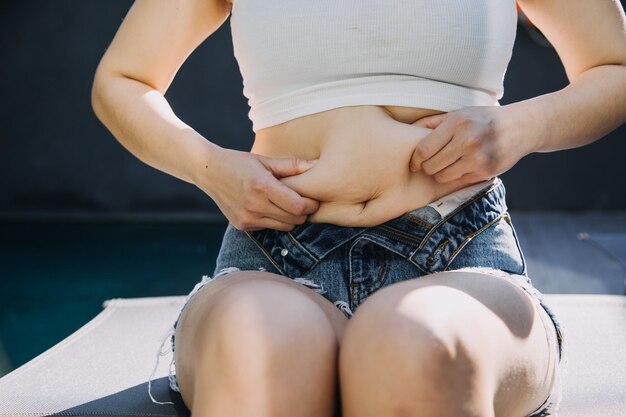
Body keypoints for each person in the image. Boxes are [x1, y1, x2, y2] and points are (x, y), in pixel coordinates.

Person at [91, 0, 626, 416]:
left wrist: (520, 126)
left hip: (460, 255)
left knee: (417, 345)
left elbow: (615, 65)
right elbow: (123, 80)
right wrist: (212, 168)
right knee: (261, 349)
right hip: (275, 258)